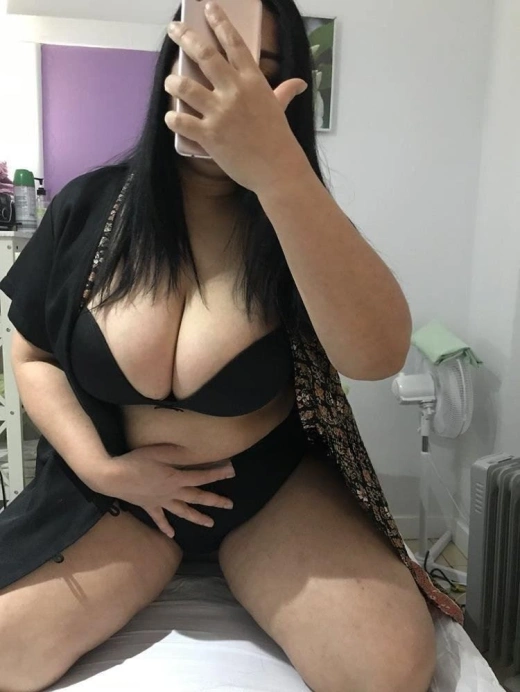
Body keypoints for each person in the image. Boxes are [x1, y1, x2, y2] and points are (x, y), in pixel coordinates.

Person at [0, 1, 462, 691]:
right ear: (170, 69)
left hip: (269, 491)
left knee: (388, 670)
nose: (224, 92)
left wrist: (278, 172)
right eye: (205, 63)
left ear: (291, 93)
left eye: (255, 73)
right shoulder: (90, 206)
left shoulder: (299, 219)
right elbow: (32, 354)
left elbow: (376, 357)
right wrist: (102, 469)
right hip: (124, 491)